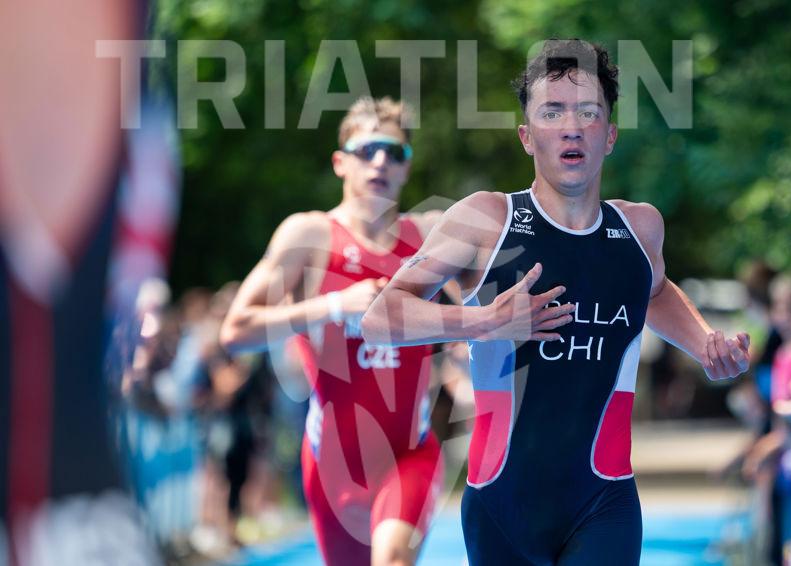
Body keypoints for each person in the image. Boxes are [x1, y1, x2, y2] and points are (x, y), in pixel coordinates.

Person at [361, 38, 750, 565]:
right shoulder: (485, 220)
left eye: (588, 112)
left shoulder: (640, 229)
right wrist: (484, 321)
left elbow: (654, 291)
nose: (571, 127)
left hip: (605, 500)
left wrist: (705, 343)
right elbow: (379, 317)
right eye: (552, 112)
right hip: (503, 504)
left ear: (609, 135)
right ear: (527, 137)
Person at [219, 97, 450, 566]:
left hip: (409, 451)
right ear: (341, 162)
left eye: (395, 152)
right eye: (367, 150)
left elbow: (485, 309)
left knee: (393, 560)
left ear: (407, 168)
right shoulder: (309, 236)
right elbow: (235, 330)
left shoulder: (429, 238)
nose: (380, 162)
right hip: (334, 465)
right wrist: (333, 306)